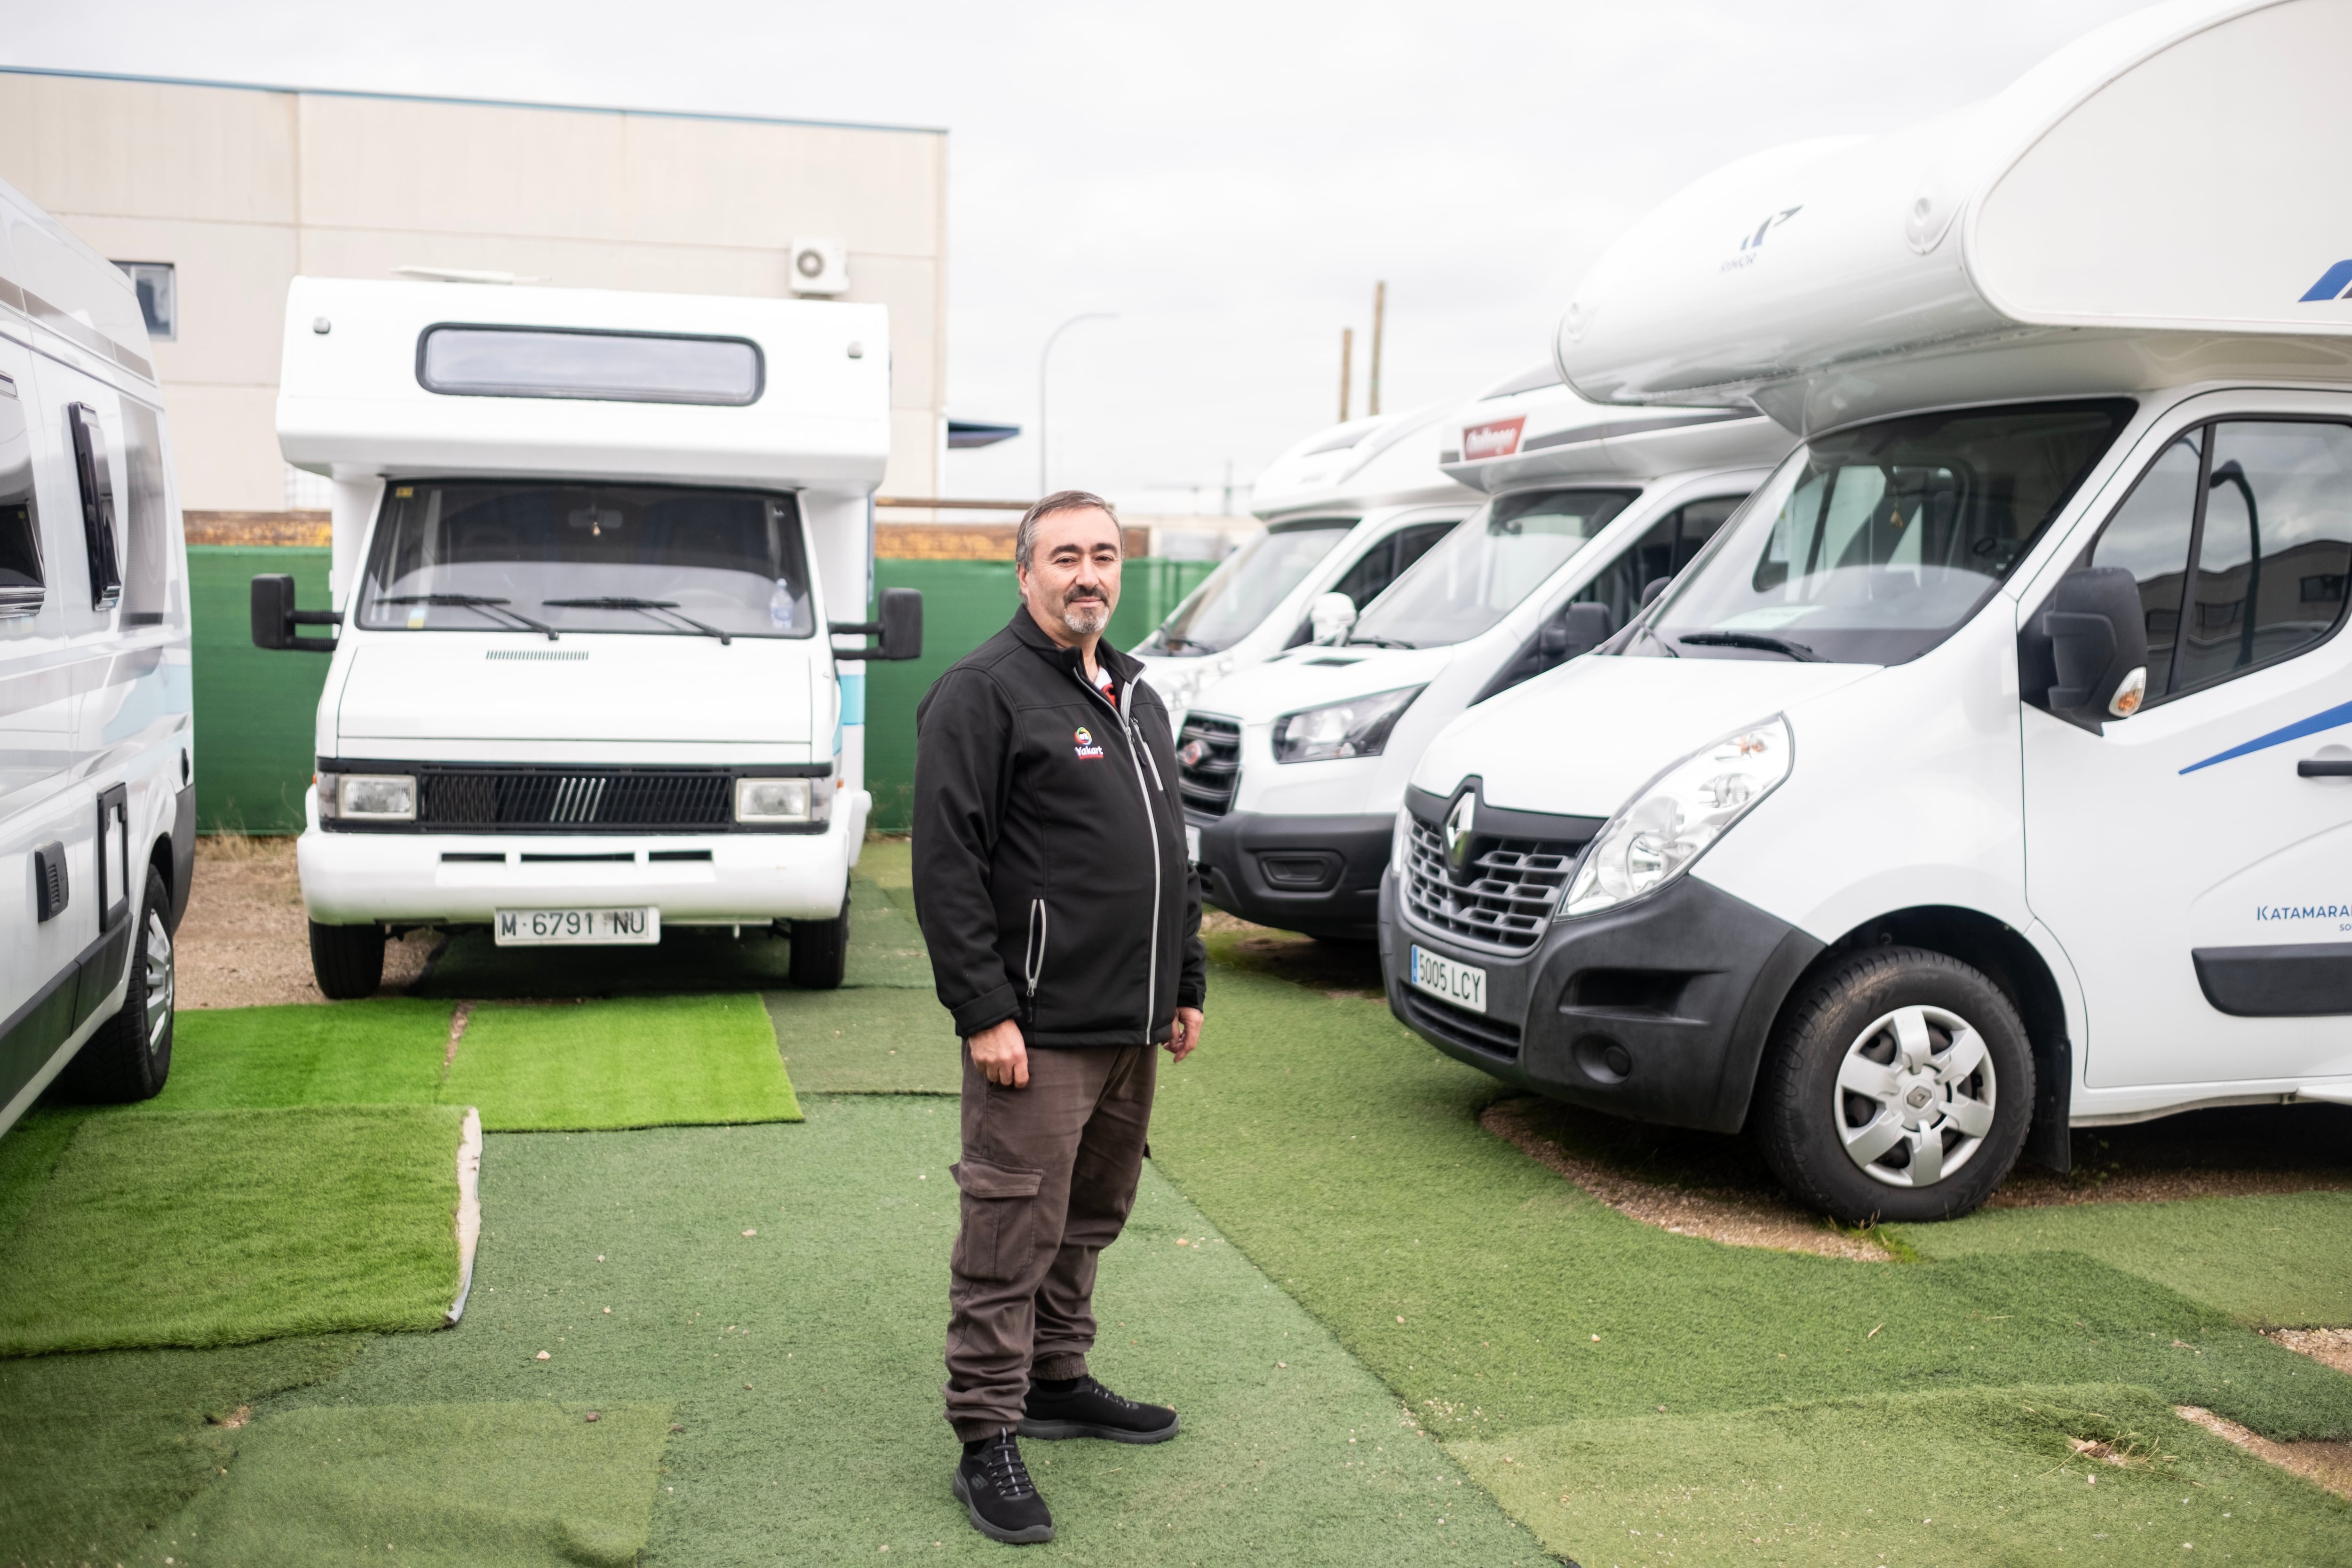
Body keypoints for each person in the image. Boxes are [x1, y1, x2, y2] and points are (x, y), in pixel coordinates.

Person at [912, 489, 1206, 1545]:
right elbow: (946, 866)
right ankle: (985, 1430)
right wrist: (985, 1010)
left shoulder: (1135, 691)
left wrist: (1187, 979)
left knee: (1088, 1217)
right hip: (1033, 1032)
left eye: (1105, 555)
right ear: (1025, 572)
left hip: (1131, 1026)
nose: (1089, 573)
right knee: (1009, 1228)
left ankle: (1056, 1378)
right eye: (1066, 556)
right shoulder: (981, 693)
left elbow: (1171, 850)